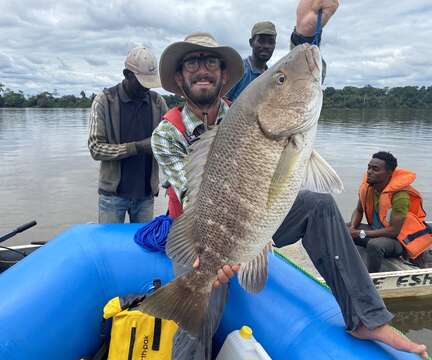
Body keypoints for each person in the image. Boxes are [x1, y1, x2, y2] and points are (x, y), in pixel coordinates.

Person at [151, 2, 428, 360]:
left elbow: (289, 78)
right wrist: (217, 258)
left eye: (211, 63)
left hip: (262, 214)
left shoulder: (246, 106)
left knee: (319, 204)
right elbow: (191, 195)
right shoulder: (165, 133)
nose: (202, 70)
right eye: (192, 63)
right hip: (203, 237)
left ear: (224, 75)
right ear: (179, 78)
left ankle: (365, 318)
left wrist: (306, 35)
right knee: (198, 317)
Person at [88, 46, 168, 224]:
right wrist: (138, 147)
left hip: (146, 196)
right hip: (113, 197)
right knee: (108, 247)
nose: (146, 88)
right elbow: (95, 149)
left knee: (142, 248)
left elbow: (168, 142)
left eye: (149, 83)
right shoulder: (104, 101)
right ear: (127, 75)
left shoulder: (158, 102)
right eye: (141, 82)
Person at [349, 151, 432, 272]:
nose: (369, 172)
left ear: (389, 173)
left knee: (375, 245)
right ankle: (346, 266)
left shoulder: (400, 196)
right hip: (376, 232)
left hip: (397, 241)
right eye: (369, 167)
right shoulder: (368, 188)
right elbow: (358, 210)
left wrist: (360, 233)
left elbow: (393, 231)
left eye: (375, 169)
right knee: (341, 228)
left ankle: (372, 279)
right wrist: (352, 228)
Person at [225, 21, 277, 102]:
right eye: (261, 41)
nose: (266, 46)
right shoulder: (239, 70)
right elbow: (220, 102)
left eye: (271, 42)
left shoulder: (271, 76)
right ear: (251, 42)